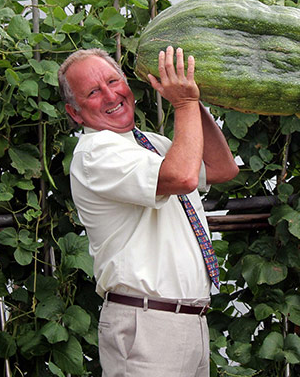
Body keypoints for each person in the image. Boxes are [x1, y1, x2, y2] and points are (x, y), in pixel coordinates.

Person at [58, 46, 239, 377]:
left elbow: (222, 168)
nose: (111, 95)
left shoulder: (151, 144)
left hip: (187, 322)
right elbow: (183, 177)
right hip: (147, 328)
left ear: (127, 82)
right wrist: (182, 104)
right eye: (93, 92)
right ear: (75, 113)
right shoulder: (95, 154)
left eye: (114, 81)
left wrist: (192, 98)